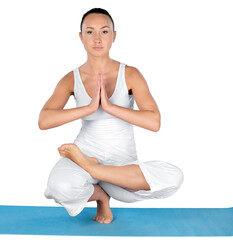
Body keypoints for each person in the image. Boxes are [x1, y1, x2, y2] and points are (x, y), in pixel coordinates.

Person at [38, 8, 184, 224]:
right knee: (58, 188)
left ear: (114, 36)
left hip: (121, 165)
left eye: (104, 32)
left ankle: (94, 170)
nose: (97, 38)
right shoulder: (71, 78)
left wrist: (110, 107)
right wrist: (88, 109)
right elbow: (44, 120)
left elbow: (154, 122)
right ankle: (100, 196)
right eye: (90, 32)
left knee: (174, 177)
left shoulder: (130, 74)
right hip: (86, 152)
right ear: (81, 37)